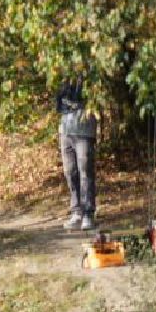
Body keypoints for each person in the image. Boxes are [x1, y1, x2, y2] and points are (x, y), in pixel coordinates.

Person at [56, 81, 98, 231]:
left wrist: (75, 104)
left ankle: (88, 213)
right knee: (70, 171)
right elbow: (59, 104)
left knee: (85, 170)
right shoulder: (65, 77)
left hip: (84, 131)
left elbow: (92, 100)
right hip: (66, 131)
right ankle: (76, 211)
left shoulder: (89, 76)